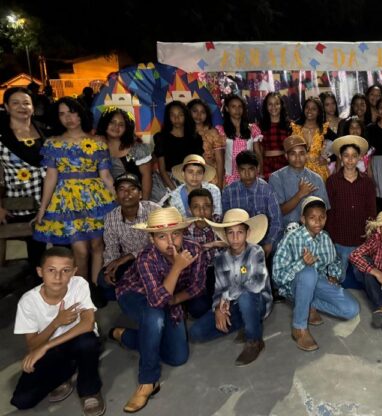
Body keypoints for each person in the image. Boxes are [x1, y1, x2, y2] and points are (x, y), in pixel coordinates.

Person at [112, 207, 202, 413]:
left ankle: (125, 335)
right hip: (135, 294)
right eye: (162, 237)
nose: (170, 242)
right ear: (152, 239)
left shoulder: (195, 249)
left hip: (169, 299)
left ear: (183, 233)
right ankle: (148, 381)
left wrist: (175, 300)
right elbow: (157, 301)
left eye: (175, 234)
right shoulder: (146, 257)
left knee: (178, 357)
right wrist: (177, 267)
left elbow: (197, 286)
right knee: (154, 318)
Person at [10, 247, 105, 415]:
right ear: (40, 272)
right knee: (22, 401)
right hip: (53, 350)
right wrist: (56, 323)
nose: (58, 277)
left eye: (65, 270)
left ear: (74, 272)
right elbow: (33, 345)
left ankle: (89, 390)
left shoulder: (79, 285)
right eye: (51, 270)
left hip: (77, 342)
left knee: (88, 341)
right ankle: (67, 370)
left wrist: (45, 347)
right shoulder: (28, 301)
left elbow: (87, 323)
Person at [34, 97, 116, 286]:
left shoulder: (97, 142)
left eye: (72, 112)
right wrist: (42, 209)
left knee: (98, 245)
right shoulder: (53, 144)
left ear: (81, 114)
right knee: (80, 250)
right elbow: (51, 177)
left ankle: (95, 286)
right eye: (62, 114)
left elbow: (105, 176)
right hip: (67, 201)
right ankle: (82, 291)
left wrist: (118, 199)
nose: (68, 118)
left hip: (97, 199)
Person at [272, 196, 360, 351]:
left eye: (322, 217)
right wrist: (302, 263)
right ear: (303, 219)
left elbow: (334, 261)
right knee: (308, 273)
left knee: (351, 309)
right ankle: (299, 328)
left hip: (317, 282)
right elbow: (277, 276)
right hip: (293, 286)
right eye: (312, 218)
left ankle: (308, 303)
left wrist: (333, 274)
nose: (318, 222)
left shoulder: (325, 237)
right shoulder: (291, 239)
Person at [189, 209, 272, 366]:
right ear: (225, 235)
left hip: (257, 302)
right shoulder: (220, 259)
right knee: (196, 332)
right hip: (232, 306)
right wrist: (218, 309)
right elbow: (219, 289)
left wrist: (227, 297)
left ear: (247, 233)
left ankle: (254, 340)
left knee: (246, 296)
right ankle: (248, 322)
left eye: (240, 232)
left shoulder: (256, 252)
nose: (235, 238)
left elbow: (256, 284)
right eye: (230, 233)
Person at [0, 87, 50, 276]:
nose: (22, 107)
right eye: (15, 103)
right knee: (34, 251)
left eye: (26, 103)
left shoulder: (44, 131)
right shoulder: (2, 136)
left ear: (32, 107)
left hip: (48, 199)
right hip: (18, 202)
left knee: (53, 248)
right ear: (6, 107)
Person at [98, 173, 160, 303]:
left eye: (132, 189)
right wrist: (110, 267)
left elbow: (160, 244)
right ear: (116, 195)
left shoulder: (154, 210)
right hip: (128, 263)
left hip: (154, 260)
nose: (127, 193)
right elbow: (111, 247)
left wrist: (130, 255)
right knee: (104, 283)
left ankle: (141, 290)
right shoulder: (110, 217)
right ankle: (137, 288)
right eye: (122, 189)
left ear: (140, 194)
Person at [326, 135, 377, 285]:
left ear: (359, 158)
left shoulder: (367, 183)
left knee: (364, 278)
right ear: (340, 157)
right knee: (336, 278)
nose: (350, 160)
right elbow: (328, 211)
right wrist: (331, 237)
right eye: (346, 156)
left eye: (354, 156)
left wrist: (369, 236)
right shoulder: (332, 181)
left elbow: (372, 211)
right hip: (339, 240)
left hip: (360, 240)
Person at [96, 107, 165, 203]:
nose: (116, 127)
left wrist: (144, 204)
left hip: (143, 195)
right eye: (112, 122)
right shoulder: (97, 147)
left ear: (126, 128)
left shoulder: (137, 148)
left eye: (121, 124)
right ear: (105, 123)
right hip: (113, 197)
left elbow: (146, 176)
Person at [220, 150, 282, 257]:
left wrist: (269, 242)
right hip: (237, 241)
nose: (247, 174)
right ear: (237, 170)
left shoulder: (267, 190)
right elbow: (225, 221)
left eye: (251, 169)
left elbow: (276, 220)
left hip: (263, 240)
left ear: (257, 169)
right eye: (243, 170)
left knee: (274, 251)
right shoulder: (228, 192)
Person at [269, 135, 329, 228]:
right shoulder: (276, 177)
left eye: (301, 153)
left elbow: (323, 211)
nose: (297, 157)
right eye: (293, 154)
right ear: (286, 156)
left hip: (311, 231)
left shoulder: (316, 178)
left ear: (306, 155)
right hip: (284, 230)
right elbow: (278, 211)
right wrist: (300, 194)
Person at [153, 101, 203, 190]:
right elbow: (162, 169)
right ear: (168, 117)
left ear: (186, 116)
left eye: (180, 115)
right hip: (168, 181)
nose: (177, 118)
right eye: (173, 115)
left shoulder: (195, 138)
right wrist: (175, 191)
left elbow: (198, 164)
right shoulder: (161, 138)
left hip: (192, 178)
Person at [218, 95, 262, 185]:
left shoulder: (253, 129)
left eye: (240, 106)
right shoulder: (221, 130)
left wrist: (259, 170)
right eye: (233, 106)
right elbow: (220, 158)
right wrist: (220, 180)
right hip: (230, 176)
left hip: (250, 174)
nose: (237, 110)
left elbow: (257, 152)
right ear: (226, 108)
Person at [291, 97, 335, 181]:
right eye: (307, 107)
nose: (309, 111)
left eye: (313, 108)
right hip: (298, 171)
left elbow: (341, 146)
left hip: (319, 173)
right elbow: (287, 150)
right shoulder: (295, 128)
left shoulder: (324, 129)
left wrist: (328, 159)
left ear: (318, 112)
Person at [188, 99, 225, 188]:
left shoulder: (212, 132)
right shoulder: (184, 132)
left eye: (202, 112)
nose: (198, 115)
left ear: (207, 115)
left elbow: (220, 160)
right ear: (188, 112)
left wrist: (219, 184)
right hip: (188, 176)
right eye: (195, 111)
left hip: (211, 177)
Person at [258, 92, 292, 180]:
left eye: (277, 104)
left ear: (281, 105)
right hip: (266, 165)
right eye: (270, 104)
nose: (273, 107)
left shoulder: (289, 125)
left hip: (285, 164)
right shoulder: (259, 126)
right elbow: (259, 151)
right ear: (266, 106)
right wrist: (260, 170)